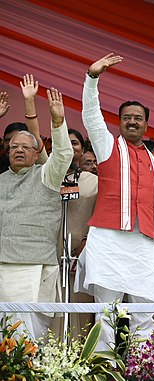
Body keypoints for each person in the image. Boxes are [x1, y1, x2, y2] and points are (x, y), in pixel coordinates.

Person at [76, 54, 154, 350]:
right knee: (107, 314)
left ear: (146, 125)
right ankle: (104, 369)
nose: (132, 121)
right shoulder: (107, 147)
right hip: (109, 241)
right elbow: (91, 115)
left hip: (146, 246)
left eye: (137, 118)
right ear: (120, 122)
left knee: (145, 314)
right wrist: (93, 77)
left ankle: (141, 369)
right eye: (127, 117)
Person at [20, 73, 99, 336]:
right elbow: (35, 138)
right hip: (50, 252)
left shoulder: (93, 181)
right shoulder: (48, 173)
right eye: (65, 142)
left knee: (80, 312)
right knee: (50, 311)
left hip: (80, 256)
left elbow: (101, 217)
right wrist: (30, 104)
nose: (71, 148)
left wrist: (87, 244)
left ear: (82, 149)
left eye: (75, 143)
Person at [0, 87, 73, 338]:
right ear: (7, 153)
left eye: (25, 147)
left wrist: (58, 121)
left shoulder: (46, 175)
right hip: (3, 261)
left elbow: (63, 155)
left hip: (34, 262)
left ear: (36, 152)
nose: (18, 150)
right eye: (13, 147)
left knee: (25, 335)